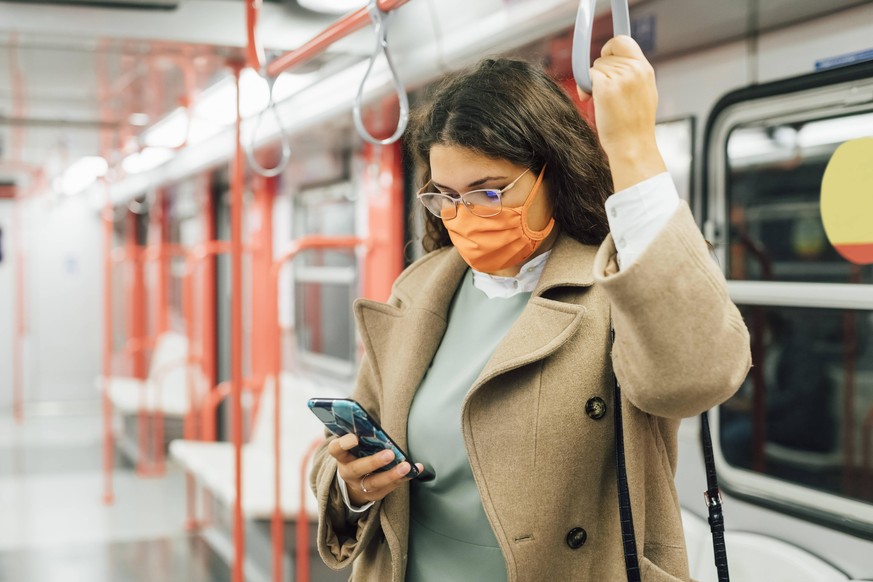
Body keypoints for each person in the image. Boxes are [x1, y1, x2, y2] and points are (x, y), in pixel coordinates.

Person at [310, 36, 751, 581]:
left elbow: (695, 378)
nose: (464, 216)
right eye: (445, 196)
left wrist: (634, 150)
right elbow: (340, 448)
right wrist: (354, 488)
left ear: (554, 174)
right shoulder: (419, 292)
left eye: (489, 193)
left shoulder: (614, 290)